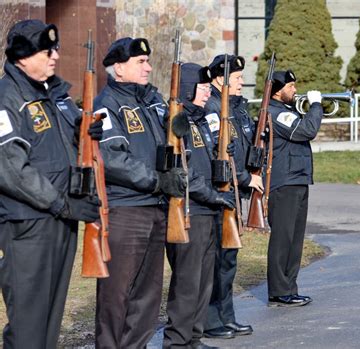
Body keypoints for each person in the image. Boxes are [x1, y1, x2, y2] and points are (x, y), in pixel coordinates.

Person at [0, 19, 102, 348]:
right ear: (23, 56)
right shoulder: (7, 98)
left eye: (55, 49)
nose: (55, 56)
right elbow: (11, 167)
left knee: (50, 318)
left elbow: (69, 147)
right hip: (27, 224)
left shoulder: (56, 95)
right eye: (47, 51)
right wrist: (60, 202)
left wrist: (85, 133)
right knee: (29, 324)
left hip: (61, 217)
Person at [93, 37, 186, 348]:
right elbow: (113, 157)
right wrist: (157, 181)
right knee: (116, 293)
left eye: (148, 61)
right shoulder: (107, 104)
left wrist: (182, 123)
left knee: (148, 293)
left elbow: (172, 140)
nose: (148, 67)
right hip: (126, 209)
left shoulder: (152, 101)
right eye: (140, 62)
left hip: (156, 207)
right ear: (119, 68)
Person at [163, 62, 237, 349]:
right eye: (203, 87)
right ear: (187, 89)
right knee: (188, 280)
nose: (208, 93)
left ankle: (193, 337)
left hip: (209, 209)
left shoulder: (202, 119)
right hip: (190, 210)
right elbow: (183, 170)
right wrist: (211, 194)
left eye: (208, 87)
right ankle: (177, 341)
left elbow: (206, 161)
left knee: (205, 279)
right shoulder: (177, 120)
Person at [203, 55, 263, 339]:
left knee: (229, 260)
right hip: (220, 190)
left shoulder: (236, 108)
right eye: (237, 77)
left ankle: (226, 316)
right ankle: (212, 319)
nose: (241, 82)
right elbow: (221, 155)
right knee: (218, 260)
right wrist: (244, 178)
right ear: (220, 79)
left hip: (234, 193)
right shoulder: (213, 107)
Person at [266, 70, 323, 307]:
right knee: (283, 238)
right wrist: (316, 105)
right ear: (278, 91)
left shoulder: (286, 111)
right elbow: (305, 130)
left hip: (297, 178)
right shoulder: (276, 113)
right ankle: (280, 289)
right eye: (290, 86)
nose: (295, 90)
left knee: (295, 239)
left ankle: (289, 287)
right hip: (285, 181)